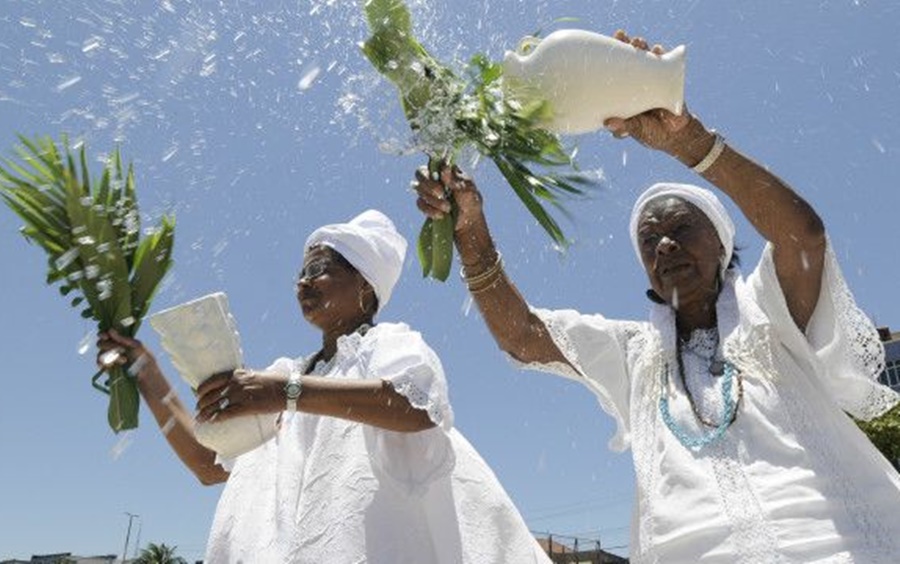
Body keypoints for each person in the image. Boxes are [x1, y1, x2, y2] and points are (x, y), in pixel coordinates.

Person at [413, 30, 900, 563]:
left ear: (722, 244)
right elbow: (522, 337)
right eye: (649, 239)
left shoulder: (769, 313)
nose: (663, 242)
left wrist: (687, 142)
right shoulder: (634, 353)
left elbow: (801, 237)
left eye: (680, 228)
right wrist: (471, 230)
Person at [98, 210, 550, 563]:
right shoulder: (284, 375)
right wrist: (144, 367)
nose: (302, 281)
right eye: (301, 271)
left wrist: (285, 393)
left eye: (320, 267)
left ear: (365, 287)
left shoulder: (388, 345)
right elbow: (208, 462)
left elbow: (417, 407)